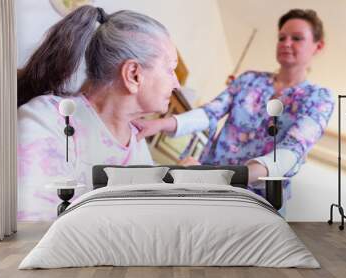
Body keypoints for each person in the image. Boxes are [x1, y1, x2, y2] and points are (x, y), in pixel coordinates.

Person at [132, 9, 335, 214]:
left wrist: (227, 177)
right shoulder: (249, 80)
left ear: (318, 46)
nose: (286, 43)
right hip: (210, 185)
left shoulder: (318, 98)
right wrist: (158, 124)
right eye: (282, 37)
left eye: (297, 38)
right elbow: (210, 112)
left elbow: (291, 151)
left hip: (256, 204)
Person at [17, 5, 180, 221]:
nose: (177, 84)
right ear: (134, 75)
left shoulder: (137, 140)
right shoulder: (47, 121)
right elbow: (32, 235)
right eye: (170, 69)